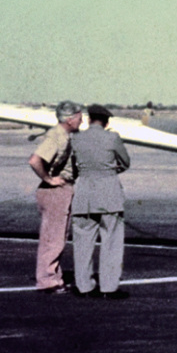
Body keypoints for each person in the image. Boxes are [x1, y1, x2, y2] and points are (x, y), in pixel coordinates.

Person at [69, 105, 132, 298]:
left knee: (82, 244)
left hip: (84, 195)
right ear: (106, 122)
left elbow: (74, 167)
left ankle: (84, 287)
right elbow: (126, 162)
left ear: (89, 119)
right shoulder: (112, 138)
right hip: (109, 194)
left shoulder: (76, 139)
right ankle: (109, 287)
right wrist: (110, 171)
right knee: (111, 242)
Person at [28, 101, 84, 293]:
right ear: (70, 119)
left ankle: (54, 277)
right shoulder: (57, 137)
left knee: (56, 237)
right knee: (54, 238)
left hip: (60, 190)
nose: (82, 120)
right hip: (55, 192)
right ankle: (47, 281)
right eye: (79, 117)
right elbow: (35, 160)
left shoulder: (63, 135)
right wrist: (49, 179)